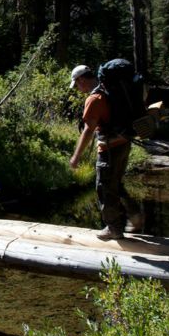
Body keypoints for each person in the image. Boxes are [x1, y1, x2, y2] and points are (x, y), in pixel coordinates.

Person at [69, 64, 143, 240]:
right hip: (124, 143)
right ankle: (135, 215)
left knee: (104, 187)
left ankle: (114, 228)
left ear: (81, 79)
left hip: (108, 149)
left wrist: (76, 156)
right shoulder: (109, 90)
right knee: (115, 184)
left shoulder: (95, 98)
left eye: (77, 84)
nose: (78, 89)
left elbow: (88, 130)